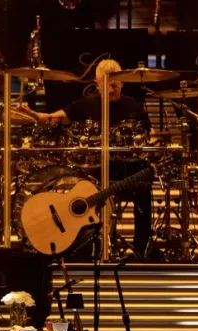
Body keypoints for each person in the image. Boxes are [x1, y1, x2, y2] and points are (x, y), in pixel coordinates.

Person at [17, 59, 153, 256]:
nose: (110, 90)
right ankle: (86, 248)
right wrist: (34, 115)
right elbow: (53, 118)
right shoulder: (86, 104)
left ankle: (141, 251)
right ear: (97, 83)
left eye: (115, 85)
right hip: (94, 170)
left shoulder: (133, 106)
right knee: (79, 195)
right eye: (105, 85)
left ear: (122, 83)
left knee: (144, 190)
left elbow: (149, 134)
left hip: (127, 170)